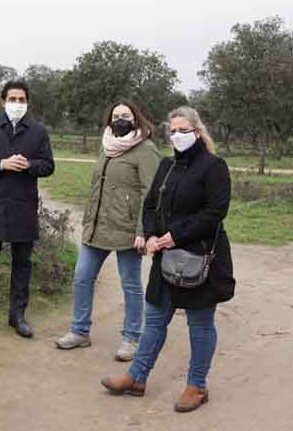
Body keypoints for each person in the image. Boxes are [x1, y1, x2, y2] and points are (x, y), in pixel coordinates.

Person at [100, 106, 234, 413]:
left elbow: (215, 213)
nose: (177, 136)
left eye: (183, 130)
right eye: (172, 131)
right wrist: (149, 235)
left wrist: (174, 236)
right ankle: (136, 377)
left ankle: (197, 386)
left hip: (199, 258)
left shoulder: (214, 166)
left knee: (200, 324)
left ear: (197, 133)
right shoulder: (166, 166)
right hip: (165, 256)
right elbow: (149, 205)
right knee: (155, 319)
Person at [56, 101, 160, 361]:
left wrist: (143, 230)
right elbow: (97, 186)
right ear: (109, 120)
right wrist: (89, 220)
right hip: (98, 227)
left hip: (128, 230)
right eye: (116, 115)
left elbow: (153, 193)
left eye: (126, 115)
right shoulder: (106, 145)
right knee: (81, 278)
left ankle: (131, 338)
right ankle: (80, 331)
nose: (120, 119)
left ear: (136, 118)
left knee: (130, 284)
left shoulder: (145, 149)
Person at [0, 80, 55, 340]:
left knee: (22, 263)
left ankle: (17, 315)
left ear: (27, 103)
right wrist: (2, 164)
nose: (17, 103)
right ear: (2, 102)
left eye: (22, 99)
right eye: (12, 99)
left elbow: (49, 166)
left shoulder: (38, 132)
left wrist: (28, 166)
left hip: (24, 206)